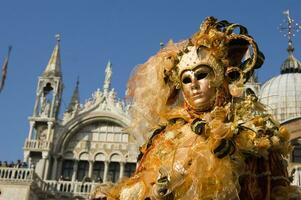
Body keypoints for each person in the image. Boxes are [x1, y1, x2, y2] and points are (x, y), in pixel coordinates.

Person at [96, 17, 300, 200]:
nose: (193, 84)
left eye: (201, 74)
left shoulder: (250, 132)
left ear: (219, 77)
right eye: (186, 79)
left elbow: (270, 188)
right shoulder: (167, 138)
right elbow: (144, 185)